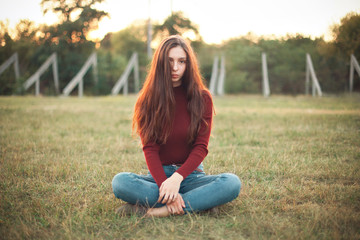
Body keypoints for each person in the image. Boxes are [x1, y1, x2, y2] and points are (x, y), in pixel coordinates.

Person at [112, 35, 241, 217]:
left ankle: (155, 212)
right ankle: (199, 203)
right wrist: (166, 184)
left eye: (182, 61)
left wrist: (177, 179)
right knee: (120, 182)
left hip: (191, 175)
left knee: (232, 183)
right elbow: (150, 149)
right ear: (160, 63)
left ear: (188, 64)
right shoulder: (147, 100)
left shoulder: (202, 98)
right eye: (169, 61)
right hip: (159, 179)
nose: (175, 67)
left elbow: (201, 147)